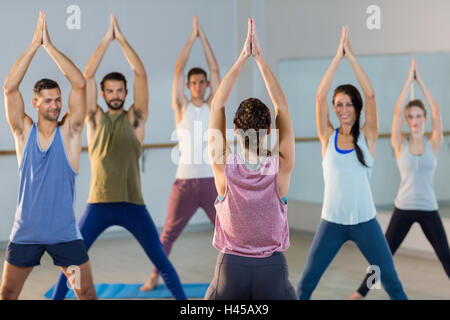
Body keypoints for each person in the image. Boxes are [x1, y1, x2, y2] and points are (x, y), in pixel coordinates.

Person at [50, 14, 186, 300]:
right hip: (98, 204)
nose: (115, 95)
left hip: (133, 204)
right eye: (109, 91)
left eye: (119, 91)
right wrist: (105, 40)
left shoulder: (136, 119)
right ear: (102, 94)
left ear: (125, 93)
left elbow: (141, 74)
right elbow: (86, 77)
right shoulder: (95, 118)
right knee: (72, 260)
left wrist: (121, 40)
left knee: (161, 260)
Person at [297, 26, 408, 300]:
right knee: (305, 285)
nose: (342, 109)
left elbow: (370, 96)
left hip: (365, 223)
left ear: (356, 108)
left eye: (348, 104)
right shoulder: (327, 136)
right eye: (339, 105)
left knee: (392, 282)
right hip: (331, 223)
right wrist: (337, 58)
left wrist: (352, 57)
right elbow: (319, 97)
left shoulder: (367, 137)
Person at [0, 11, 96, 300]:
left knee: (86, 292)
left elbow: (79, 84)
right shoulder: (23, 131)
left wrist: (50, 46)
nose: (55, 105)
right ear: (35, 103)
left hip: (64, 235)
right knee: (7, 292)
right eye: (49, 100)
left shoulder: (69, 132)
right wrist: (34, 45)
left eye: (58, 99)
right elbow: (9, 87)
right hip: (26, 233)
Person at [204, 18, 297, 300]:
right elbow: (282, 105)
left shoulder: (223, 164)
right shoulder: (280, 165)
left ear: (236, 130)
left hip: (231, 269)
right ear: (269, 130)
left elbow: (217, 103)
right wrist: (260, 60)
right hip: (272, 270)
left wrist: (243, 57)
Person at [349, 58, 450, 299]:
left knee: (446, 257)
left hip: (428, 208)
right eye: (411, 117)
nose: (414, 121)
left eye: (418, 116)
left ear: (424, 119)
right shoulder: (399, 144)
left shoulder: (433, 143)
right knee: (383, 256)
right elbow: (395, 111)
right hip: (403, 207)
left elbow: (436, 110)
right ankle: (359, 294)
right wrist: (408, 82)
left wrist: (420, 81)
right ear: (407, 120)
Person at [141, 16, 220, 291]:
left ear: (207, 85)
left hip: (212, 181)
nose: (198, 86)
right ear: (188, 86)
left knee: (227, 232)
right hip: (184, 182)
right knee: (168, 234)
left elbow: (215, 67)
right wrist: (191, 38)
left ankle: (232, 275)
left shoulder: (213, 105)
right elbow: (178, 68)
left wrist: (204, 39)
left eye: (202, 82)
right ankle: (154, 275)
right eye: (194, 83)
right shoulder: (181, 107)